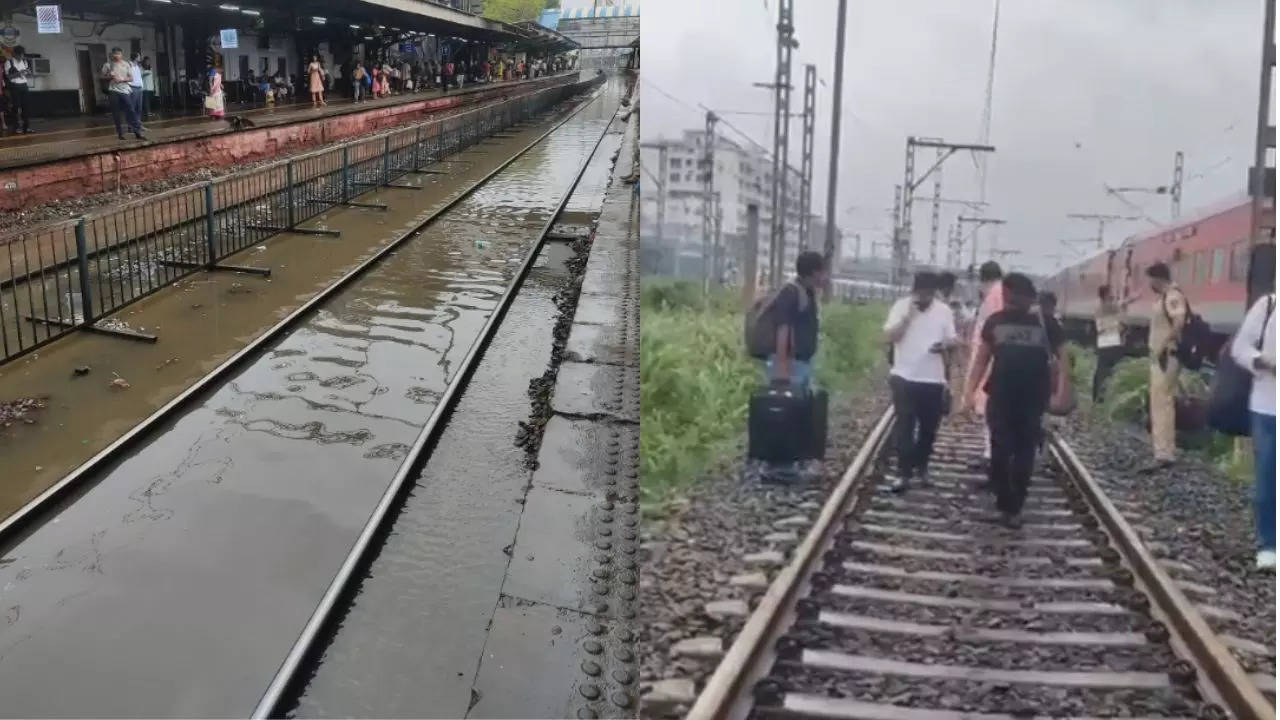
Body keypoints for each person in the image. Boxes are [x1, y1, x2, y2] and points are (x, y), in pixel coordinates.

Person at [963, 273, 1067, 528]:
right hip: (1000, 395)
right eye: (1010, 296)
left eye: (1016, 296)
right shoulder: (994, 322)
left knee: (1023, 452)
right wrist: (968, 393)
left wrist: (1062, 391)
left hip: (1033, 398)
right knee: (1001, 451)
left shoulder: (1047, 323)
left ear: (1027, 297)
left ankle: (1013, 508)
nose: (1012, 301)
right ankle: (1007, 503)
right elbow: (981, 360)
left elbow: (1064, 361)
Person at [883, 272, 958, 492]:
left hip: (932, 378)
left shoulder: (944, 311)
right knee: (904, 424)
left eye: (927, 292)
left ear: (933, 292)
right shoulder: (901, 307)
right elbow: (887, 337)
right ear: (914, 290)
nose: (922, 296)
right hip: (903, 375)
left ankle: (922, 465)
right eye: (919, 292)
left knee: (928, 428)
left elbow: (952, 339)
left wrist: (945, 345)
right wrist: (907, 319)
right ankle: (903, 473)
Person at [1231, 290, 1276, 569]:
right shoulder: (1269, 305)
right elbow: (1240, 349)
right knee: (1267, 481)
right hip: (1267, 407)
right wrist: (1262, 361)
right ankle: (1269, 544)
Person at [766, 250, 827, 391]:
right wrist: (782, 368)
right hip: (789, 364)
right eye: (823, 272)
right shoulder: (791, 292)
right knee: (788, 407)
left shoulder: (807, 291)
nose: (826, 276)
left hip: (802, 363)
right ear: (815, 273)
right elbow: (783, 329)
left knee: (801, 406)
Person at [1145, 262, 1185, 472]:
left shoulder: (1172, 296)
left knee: (1162, 403)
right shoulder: (1164, 297)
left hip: (1166, 356)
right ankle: (1162, 449)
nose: (1149, 284)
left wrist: (1162, 345)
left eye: (1150, 279)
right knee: (1160, 402)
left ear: (1157, 278)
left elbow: (1179, 321)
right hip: (1161, 356)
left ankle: (1164, 453)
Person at [964, 261, 1004, 470]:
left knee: (990, 408)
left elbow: (986, 334)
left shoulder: (992, 297)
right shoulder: (1004, 293)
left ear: (983, 279)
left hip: (990, 360)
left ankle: (991, 453)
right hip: (1001, 360)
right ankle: (993, 452)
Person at [1093, 285, 1131, 402]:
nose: (1113, 295)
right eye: (1111, 293)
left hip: (1105, 341)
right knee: (1110, 370)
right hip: (1112, 341)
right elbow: (1121, 323)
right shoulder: (1107, 307)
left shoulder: (1101, 307)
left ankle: (1098, 396)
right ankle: (1104, 396)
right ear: (1105, 295)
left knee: (1102, 370)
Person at [102, 48, 145, 140]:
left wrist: (122, 79)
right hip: (113, 91)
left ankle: (137, 132)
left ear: (121, 54)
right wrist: (109, 76)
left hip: (125, 90)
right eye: (115, 54)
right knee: (116, 113)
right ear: (112, 54)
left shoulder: (126, 64)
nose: (117, 55)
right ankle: (120, 134)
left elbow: (131, 78)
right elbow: (102, 76)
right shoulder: (108, 65)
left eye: (118, 54)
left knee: (131, 110)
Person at [5, 45, 32, 134]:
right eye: (19, 55)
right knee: (16, 107)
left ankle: (26, 127)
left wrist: (28, 72)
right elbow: (8, 77)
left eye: (22, 55)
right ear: (14, 54)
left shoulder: (24, 61)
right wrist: (19, 73)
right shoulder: (9, 62)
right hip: (15, 86)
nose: (21, 57)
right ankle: (17, 127)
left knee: (26, 107)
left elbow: (27, 73)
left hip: (24, 85)